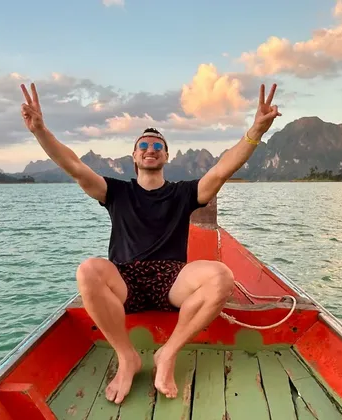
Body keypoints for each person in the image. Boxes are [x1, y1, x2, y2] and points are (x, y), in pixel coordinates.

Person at [20, 82, 281, 404]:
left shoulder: (183, 192)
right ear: (134, 156)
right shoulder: (115, 192)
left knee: (221, 276)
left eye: (158, 145)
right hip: (124, 277)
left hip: (172, 279)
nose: (150, 148)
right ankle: (127, 357)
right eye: (143, 144)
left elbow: (221, 171)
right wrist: (40, 131)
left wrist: (256, 131)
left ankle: (167, 353)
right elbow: (74, 166)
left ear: (166, 156)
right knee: (88, 270)